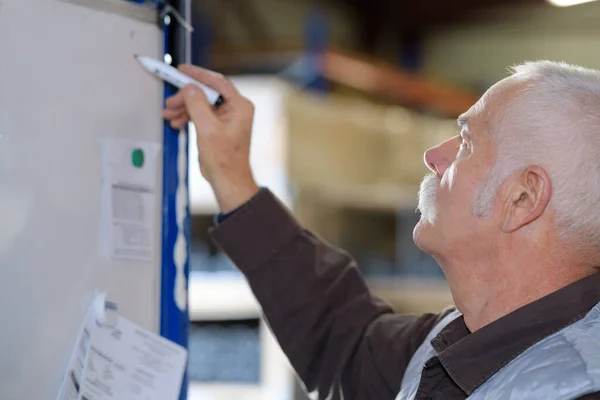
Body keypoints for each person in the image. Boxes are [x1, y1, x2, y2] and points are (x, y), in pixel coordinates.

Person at [163, 61, 600, 400]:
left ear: (522, 199)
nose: (433, 156)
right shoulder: (455, 344)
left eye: (466, 142)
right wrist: (232, 176)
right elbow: (342, 339)